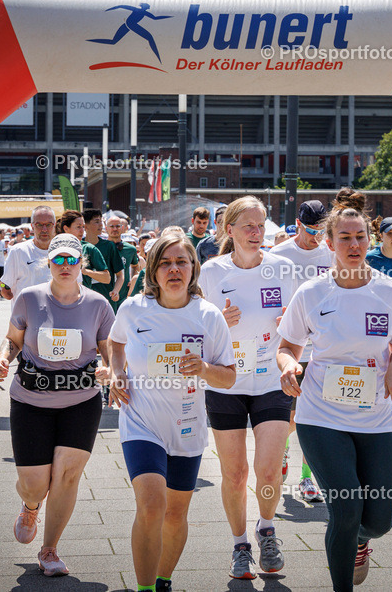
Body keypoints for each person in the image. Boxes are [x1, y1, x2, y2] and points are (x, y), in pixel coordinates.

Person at [277, 190, 392, 592]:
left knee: (379, 519)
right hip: (321, 414)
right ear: (330, 243)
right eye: (344, 238)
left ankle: (361, 542)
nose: (354, 245)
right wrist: (289, 367)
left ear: (369, 240)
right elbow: (286, 346)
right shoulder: (312, 293)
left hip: (376, 415)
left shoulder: (389, 292)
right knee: (346, 507)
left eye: (360, 237)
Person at [107, 230, 237, 592]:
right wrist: (117, 373)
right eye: (165, 263)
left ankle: (163, 581)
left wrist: (204, 370)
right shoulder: (133, 308)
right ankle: (145, 589)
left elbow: (228, 378)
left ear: (194, 268)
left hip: (187, 427)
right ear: (152, 271)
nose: (174, 269)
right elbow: (116, 342)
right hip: (141, 421)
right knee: (151, 506)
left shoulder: (209, 316)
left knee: (176, 513)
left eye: (181, 262)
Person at [0, 233, 115, 577]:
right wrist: (3, 359)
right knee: (35, 484)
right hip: (31, 400)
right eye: (58, 259)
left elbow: (108, 349)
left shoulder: (98, 305)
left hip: (81, 401)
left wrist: (109, 368)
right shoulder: (29, 299)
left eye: (71, 260)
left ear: (81, 264)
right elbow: (13, 340)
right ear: (48, 262)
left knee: (67, 475)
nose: (64, 265)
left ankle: (49, 550)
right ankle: (31, 505)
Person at [198, 196, 298, 579]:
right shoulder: (210, 271)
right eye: (248, 227)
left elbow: (298, 325)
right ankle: (240, 543)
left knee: (269, 471)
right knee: (236, 473)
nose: (256, 234)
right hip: (226, 382)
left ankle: (267, 529)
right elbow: (194, 328)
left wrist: (294, 327)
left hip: (271, 380)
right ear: (231, 231)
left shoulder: (283, 269)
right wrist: (217, 321)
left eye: (261, 226)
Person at [270, 200, 334, 502]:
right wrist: (278, 317)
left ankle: (308, 480)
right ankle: (282, 448)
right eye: (311, 231)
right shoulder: (279, 254)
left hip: (322, 347)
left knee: (317, 417)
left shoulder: (330, 252)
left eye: (321, 231)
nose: (317, 238)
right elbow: (265, 296)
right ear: (298, 225)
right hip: (290, 347)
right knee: (291, 419)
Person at [1, 206, 57, 304]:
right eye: (39, 224)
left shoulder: (63, 252)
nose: (44, 229)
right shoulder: (18, 251)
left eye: (48, 225)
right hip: (26, 317)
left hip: (56, 316)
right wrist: (2, 286)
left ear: (54, 225)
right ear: (32, 226)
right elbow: (5, 289)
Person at [82, 209, 127, 311]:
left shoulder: (109, 246)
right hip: (84, 300)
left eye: (101, 222)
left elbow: (120, 275)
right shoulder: (78, 246)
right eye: (96, 222)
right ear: (86, 226)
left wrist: (116, 290)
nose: (100, 225)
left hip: (106, 299)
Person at [55, 210, 111, 289]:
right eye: (78, 227)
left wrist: (86, 271)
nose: (82, 231)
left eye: (83, 227)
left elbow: (106, 278)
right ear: (66, 229)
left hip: (81, 297)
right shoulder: (54, 247)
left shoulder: (88, 248)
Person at [105, 213, 141, 307]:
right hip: (104, 294)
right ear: (106, 228)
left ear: (122, 228)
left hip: (123, 296)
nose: (115, 229)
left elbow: (135, 266)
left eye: (117, 226)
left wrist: (133, 279)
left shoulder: (130, 249)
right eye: (112, 226)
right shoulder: (100, 248)